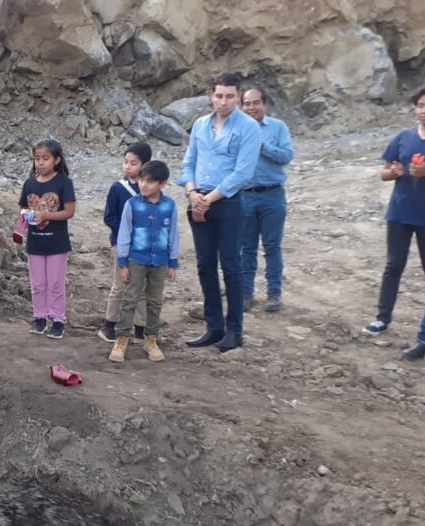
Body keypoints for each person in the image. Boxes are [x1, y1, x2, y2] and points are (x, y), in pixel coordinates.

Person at [178, 72, 261, 352]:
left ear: (237, 97)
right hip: (198, 199)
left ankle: (234, 330)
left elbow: (243, 172)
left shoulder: (249, 127)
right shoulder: (201, 125)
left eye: (229, 96)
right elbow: (188, 162)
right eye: (219, 96)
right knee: (204, 265)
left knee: (230, 265)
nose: (223, 102)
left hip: (227, 203)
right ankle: (213, 326)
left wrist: (208, 199)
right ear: (211, 96)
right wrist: (192, 193)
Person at [364, 85, 425, 337]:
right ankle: (382, 318)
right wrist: (393, 172)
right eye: (420, 106)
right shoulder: (404, 137)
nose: (423, 111)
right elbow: (385, 172)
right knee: (394, 265)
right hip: (400, 212)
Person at [109, 161, 179, 363]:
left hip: (160, 261)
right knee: (130, 298)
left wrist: (173, 262)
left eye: (150, 181)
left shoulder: (169, 206)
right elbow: (124, 234)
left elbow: (173, 234)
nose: (143, 185)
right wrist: (123, 263)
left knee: (155, 301)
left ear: (162, 183)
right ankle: (122, 339)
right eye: (141, 180)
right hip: (136, 260)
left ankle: (150, 339)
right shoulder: (132, 205)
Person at [239, 88, 294, 313]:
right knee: (246, 248)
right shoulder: (237, 128)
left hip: (272, 195)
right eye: (247, 103)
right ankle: (245, 293)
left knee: (272, 247)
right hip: (244, 196)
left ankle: (274, 293)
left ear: (265, 104)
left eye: (255, 103)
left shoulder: (278, 127)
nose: (251, 107)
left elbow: (286, 156)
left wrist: (263, 145)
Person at [19, 138, 76, 339]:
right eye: (37, 158)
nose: (41, 163)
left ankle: (58, 320)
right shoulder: (29, 183)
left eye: (45, 158)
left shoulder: (64, 183)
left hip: (57, 243)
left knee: (55, 284)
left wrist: (46, 215)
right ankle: (39, 318)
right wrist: (26, 215)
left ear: (57, 160)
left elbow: (69, 211)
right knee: (37, 284)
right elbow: (23, 207)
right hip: (35, 242)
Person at [100, 142, 151, 342]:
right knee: (120, 284)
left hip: (144, 246)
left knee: (142, 286)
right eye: (125, 162)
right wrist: (127, 232)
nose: (127, 166)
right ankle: (109, 324)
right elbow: (109, 217)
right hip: (121, 244)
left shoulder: (150, 190)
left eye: (133, 163)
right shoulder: (117, 188)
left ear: (145, 165)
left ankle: (140, 328)